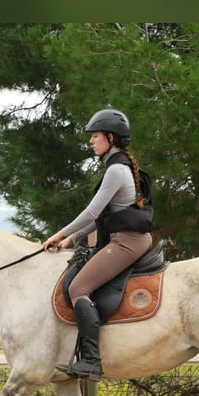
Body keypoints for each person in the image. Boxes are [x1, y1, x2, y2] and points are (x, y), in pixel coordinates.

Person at [42, 108, 153, 382]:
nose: (91, 141)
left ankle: (91, 360)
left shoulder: (116, 169)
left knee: (79, 287)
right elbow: (104, 217)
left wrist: (59, 233)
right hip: (126, 239)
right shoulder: (118, 165)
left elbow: (91, 212)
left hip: (127, 243)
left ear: (110, 137)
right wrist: (72, 238)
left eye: (95, 136)